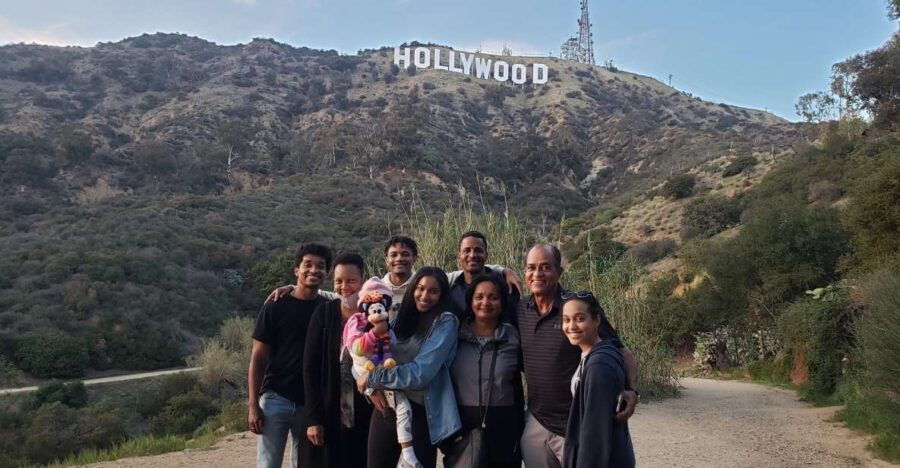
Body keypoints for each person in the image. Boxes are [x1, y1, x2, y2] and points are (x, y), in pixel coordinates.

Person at [517, 244, 639, 468]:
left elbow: (621, 351)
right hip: (537, 420)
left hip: (575, 426)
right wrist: (500, 270)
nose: (537, 274)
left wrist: (631, 389)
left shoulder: (575, 309)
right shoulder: (520, 308)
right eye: (531, 268)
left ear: (559, 272)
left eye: (545, 267)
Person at [358, 267, 461, 468]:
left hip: (419, 412)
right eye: (420, 288)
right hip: (386, 406)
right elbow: (376, 353)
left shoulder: (445, 322)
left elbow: (421, 373)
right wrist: (371, 386)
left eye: (433, 291)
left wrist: (373, 378)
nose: (424, 296)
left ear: (442, 295)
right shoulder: (402, 319)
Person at [248, 242, 333, 468]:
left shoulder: (328, 309)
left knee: (305, 464)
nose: (314, 270)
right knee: (268, 464)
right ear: (296, 270)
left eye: (320, 266)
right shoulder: (275, 306)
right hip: (276, 398)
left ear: (327, 273)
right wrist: (253, 405)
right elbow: (257, 358)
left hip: (310, 404)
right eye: (307, 265)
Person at [302, 253, 377, 468]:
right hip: (327, 413)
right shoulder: (323, 314)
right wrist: (313, 419)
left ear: (363, 280)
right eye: (338, 281)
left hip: (366, 413)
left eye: (351, 280)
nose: (344, 286)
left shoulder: (374, 316)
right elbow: (310, 368)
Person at [445, 273, 524, 468]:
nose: (485, 302)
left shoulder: (513, 337)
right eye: (479, 297)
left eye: (493, 297)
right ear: (470, 301)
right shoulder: (454, 335)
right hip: (461, 427)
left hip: (504, 426)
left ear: (502, 302)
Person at [343, 277, 421, 468]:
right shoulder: (357, 321)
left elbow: (392, 344)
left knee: (401, 409)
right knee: (403, 409)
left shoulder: (392, 317)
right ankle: (408, 454)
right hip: (367, 372)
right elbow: (357, 350)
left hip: (382, 373)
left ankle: (407, 454)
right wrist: (376, 332)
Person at [561, 291, 635, 468]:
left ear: (596, 320)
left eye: (579, 318)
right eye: (566, 319)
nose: (571, 326)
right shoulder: (599, 353)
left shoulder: (599, 366)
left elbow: (595, 434)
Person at [446, 231, 521, 322]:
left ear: (486, 255)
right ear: (459, 256)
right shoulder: (449, 289)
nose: (472, 255)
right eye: (467, 250)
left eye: (478, 250)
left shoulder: (506, 286)